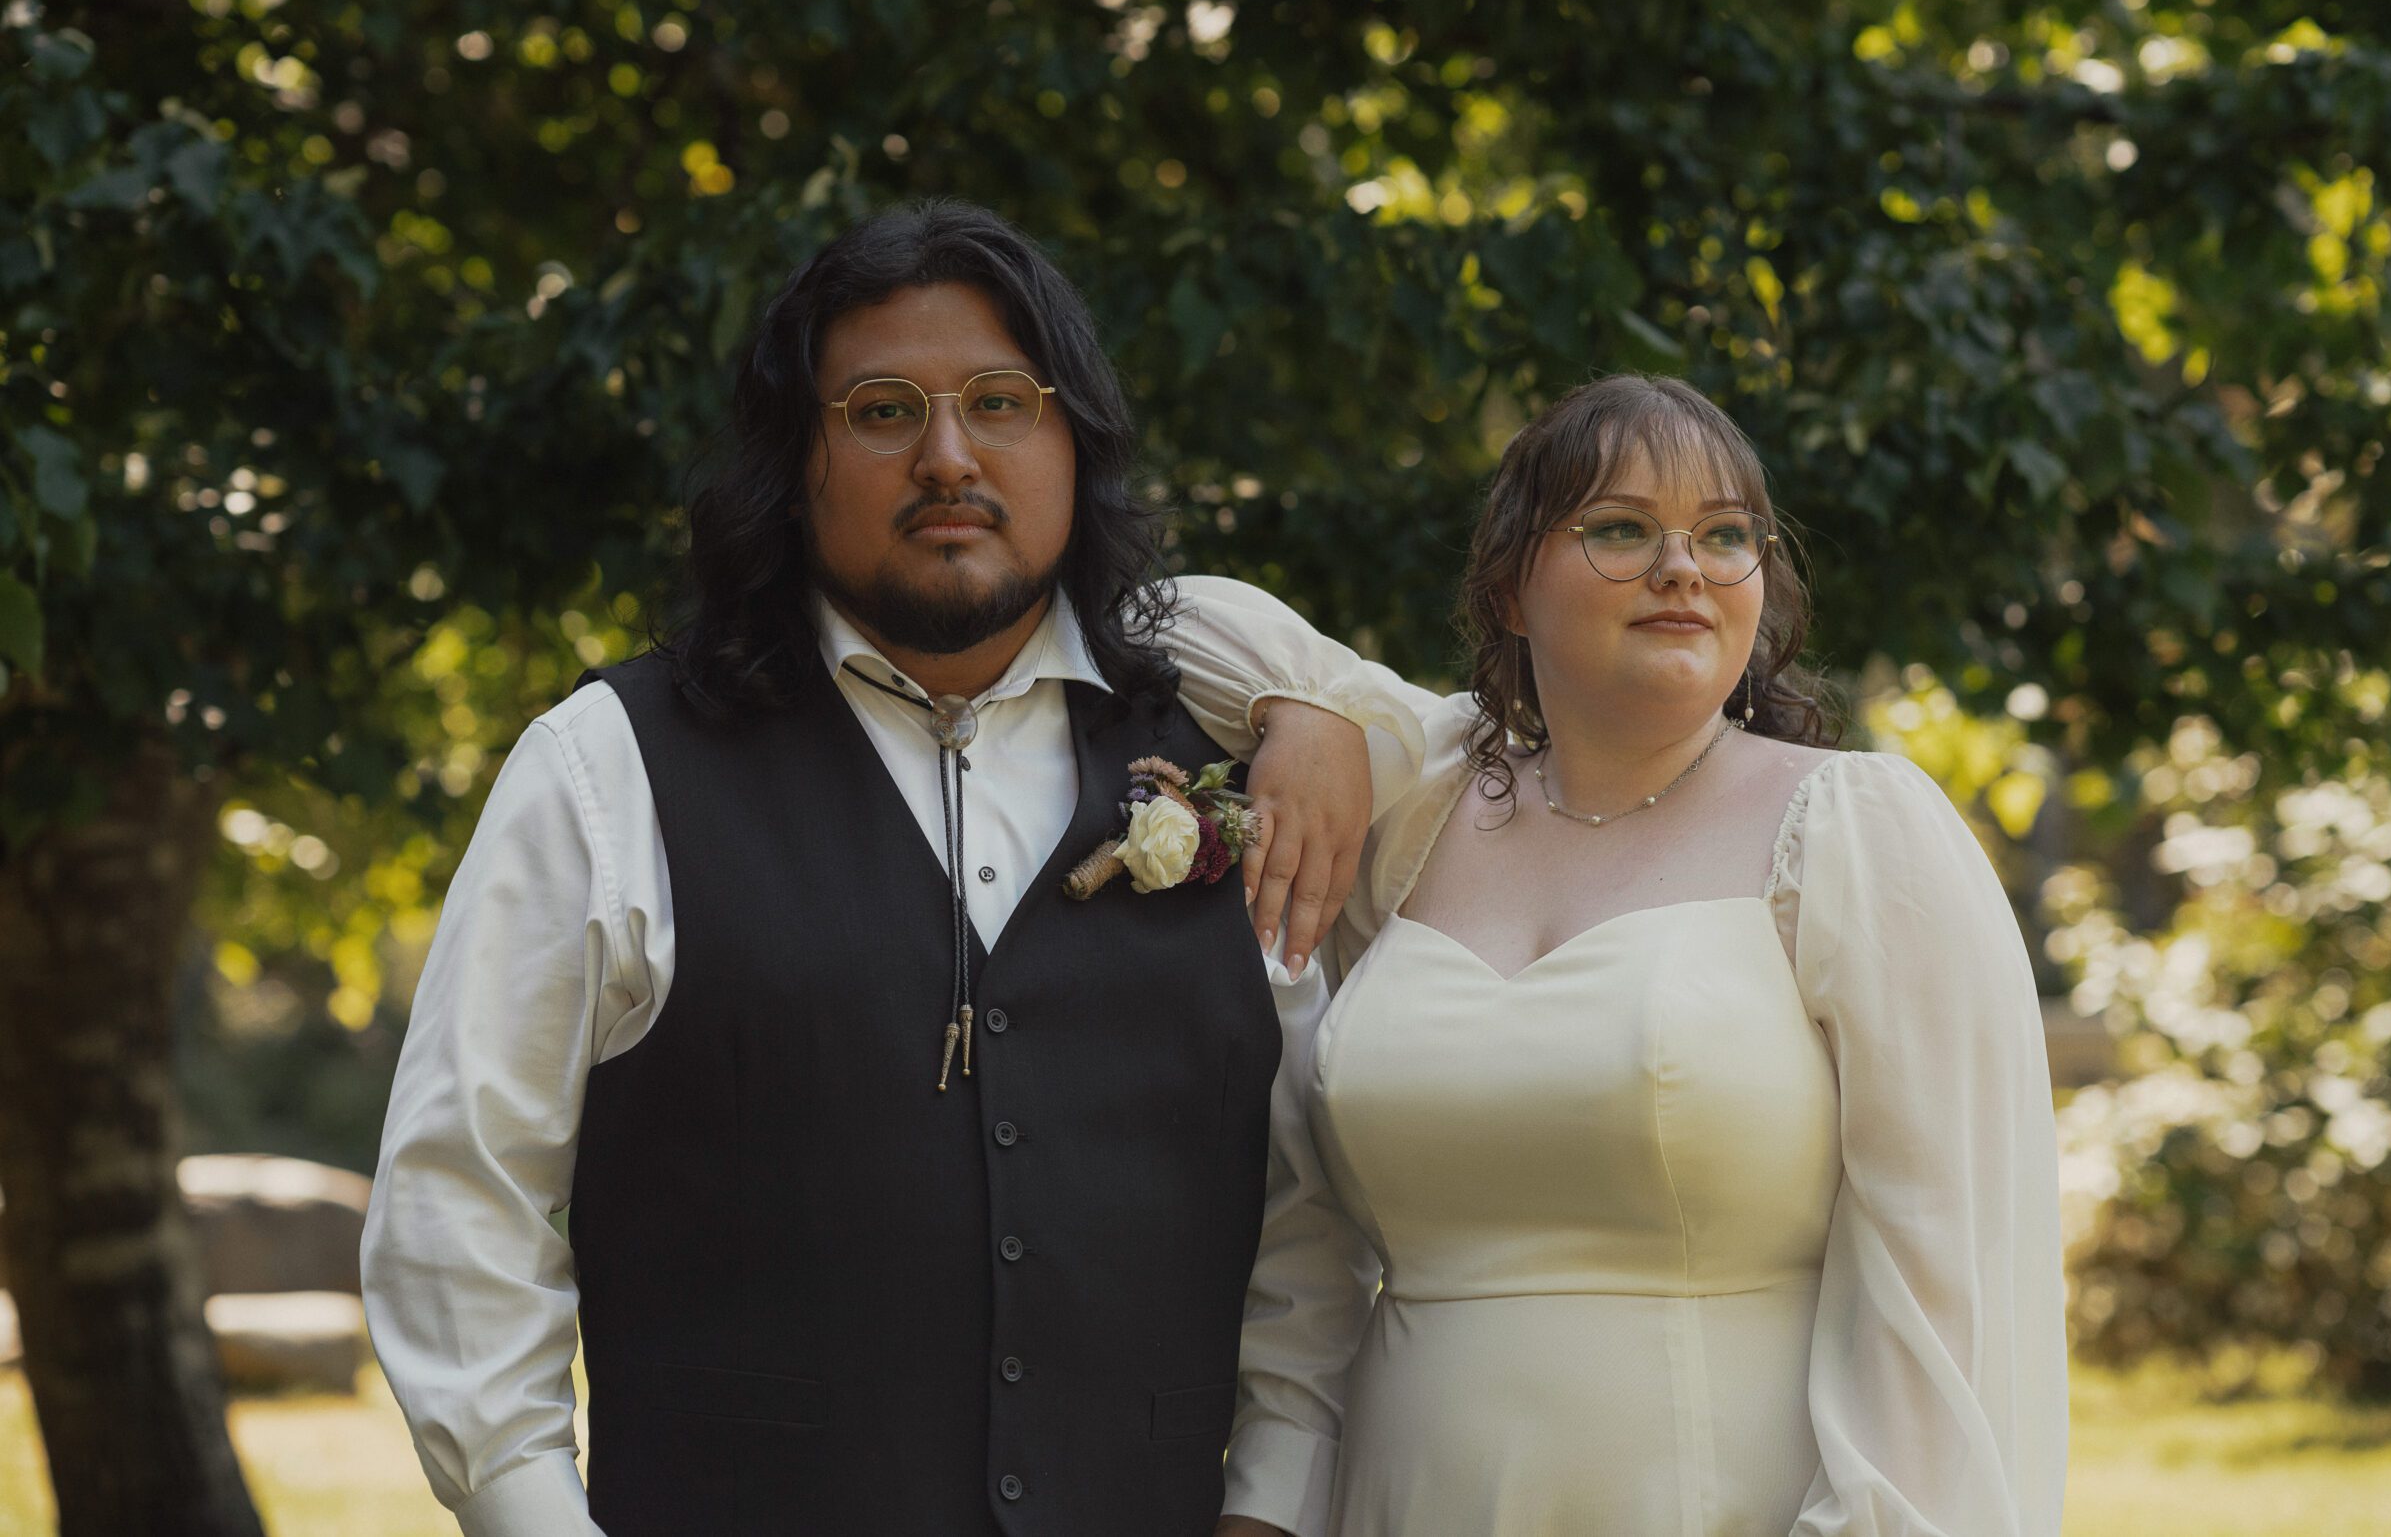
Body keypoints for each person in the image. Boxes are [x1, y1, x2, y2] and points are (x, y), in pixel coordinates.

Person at [360, 200, 1423, 1537]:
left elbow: (1309, 1217)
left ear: (1076, 443)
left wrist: (1270, 1506)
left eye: (1002, 402)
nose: (947, 456)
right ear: (793, 461)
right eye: (880, 412)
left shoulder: (1235, 762)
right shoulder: (610, 765)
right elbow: (460, 1196)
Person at [1212, 374, 2068, 1537]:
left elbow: (1947, 1285)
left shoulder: (1854, 831)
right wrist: (1304, 711)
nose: (1682, 569)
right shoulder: (1412, 810)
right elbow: (1163, 618)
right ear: (1509, 590)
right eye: (1620, 530)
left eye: (1724, 535)